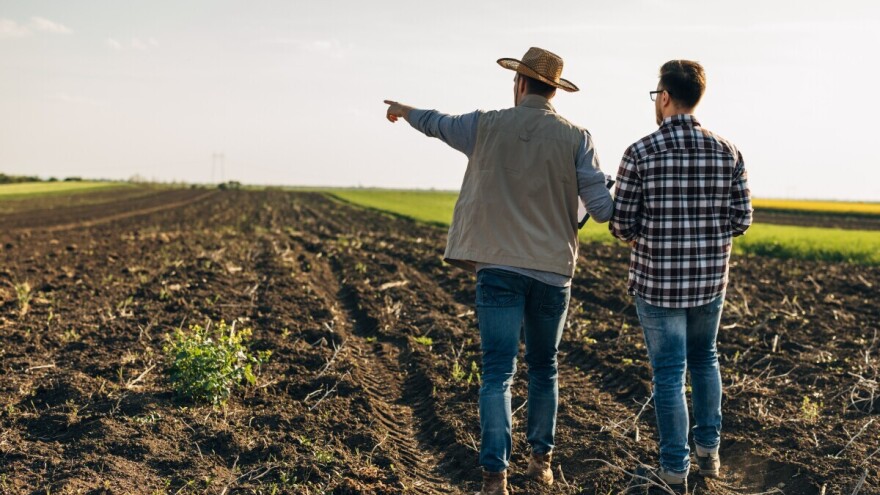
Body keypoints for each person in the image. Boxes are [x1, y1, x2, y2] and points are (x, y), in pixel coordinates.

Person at [384, 47, 613, 495]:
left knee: (497, 372)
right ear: (554, 90)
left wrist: (404, 110)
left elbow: (437, 123)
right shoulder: (578, 138)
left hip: (498, 268)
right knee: (544, 367)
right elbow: (602, 210)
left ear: (520, 83)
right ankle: (541, 464)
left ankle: (495, 478)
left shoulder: (485, 125)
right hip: (552, 272)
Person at [610, 60, 753, 495]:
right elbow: (742, 219)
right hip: (709, 282)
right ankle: (709, 453)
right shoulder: (728, 152)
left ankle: (675, 470)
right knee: (705, 359)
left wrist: (647, 233)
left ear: (666, 97)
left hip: (657, 284)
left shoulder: (639, 152)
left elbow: (621, 224)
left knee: (669, 374)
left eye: (657, 95)